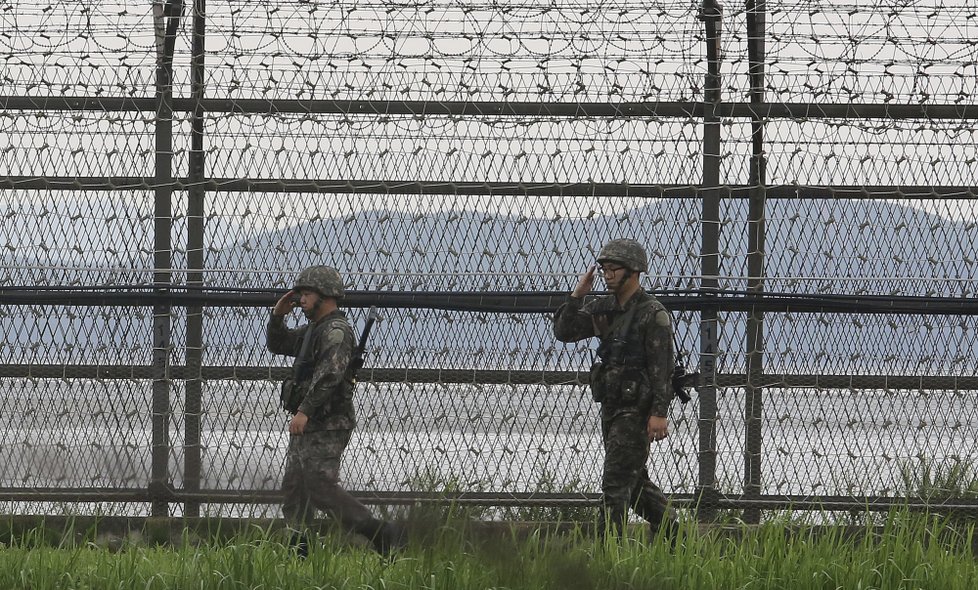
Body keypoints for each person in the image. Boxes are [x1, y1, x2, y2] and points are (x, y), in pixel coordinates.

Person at [267, 265, 401, 557]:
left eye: (307, 293)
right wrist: (278, 315)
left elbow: (330, 374)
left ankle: (378, 532)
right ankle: (298, 549)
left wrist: (304, 410)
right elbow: (277, 344)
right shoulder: (314, 330)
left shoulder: (336, 332)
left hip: (327, 421)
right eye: (300, 294)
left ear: (325, 295)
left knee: (320, 486)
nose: (301, 299)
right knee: (295, 487)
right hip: (310, 420)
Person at [552, 239, 680, 541]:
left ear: (633, 271)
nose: (607, 274)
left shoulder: (652, 314)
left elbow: (663, 368)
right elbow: (565, 332)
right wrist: (576, 297)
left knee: (614, 485)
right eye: (604, 268)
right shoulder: (606, 309)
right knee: (632, 485)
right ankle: (673, 530)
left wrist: (659, 413)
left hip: (636, 411)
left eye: (613, 268)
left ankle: (608, 553)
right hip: (611, 407)